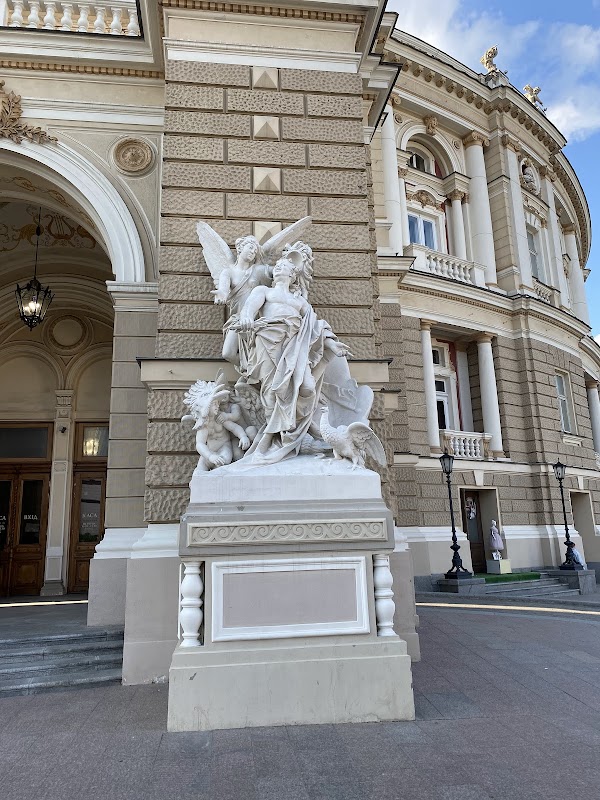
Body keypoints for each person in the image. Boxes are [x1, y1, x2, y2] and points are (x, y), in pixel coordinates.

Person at [235, 248, 350, 463]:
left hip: (294, 347)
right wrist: (247, 318)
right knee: (271, 392)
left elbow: (317, 327)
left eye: (283, 267)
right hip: (267, 341)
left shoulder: (301, 303)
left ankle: (295, 432)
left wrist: (331, 345)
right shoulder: (264, 291)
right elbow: (249, 309)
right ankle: (274, 440)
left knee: (306, 387)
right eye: (276, 267)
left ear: (292, 275)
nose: (278, 269)